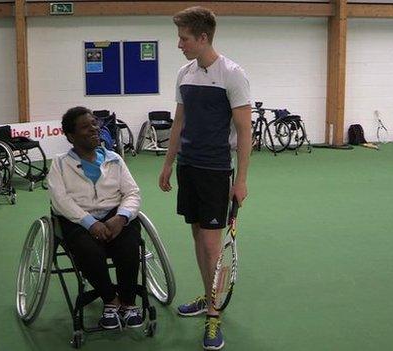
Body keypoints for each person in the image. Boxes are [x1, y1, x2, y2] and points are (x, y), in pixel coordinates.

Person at [158, 6, 252, 350]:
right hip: (188, 168)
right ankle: (209, 295)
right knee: (198, 237)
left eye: (183, 38)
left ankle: (214, 314)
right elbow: (178, 123)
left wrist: (240, 181)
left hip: (215, 171)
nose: (179, 44)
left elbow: (245, 132)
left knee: (213, 245)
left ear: (202, 38)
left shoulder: (233, 74)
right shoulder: (184, 73)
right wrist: (168, 164)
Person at [47, 106, 143, 330]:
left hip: (114, 214)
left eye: (94, 124)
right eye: (85, 126)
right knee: (88, 251)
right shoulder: (60, 164)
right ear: (71, 136)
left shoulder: (115, 159)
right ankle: (111, 300)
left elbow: (132, 193)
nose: (93, 129)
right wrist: (90, 223)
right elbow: (60, 200)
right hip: (78, 218)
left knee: (129, 245)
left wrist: (121, 218)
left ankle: (128, 302)